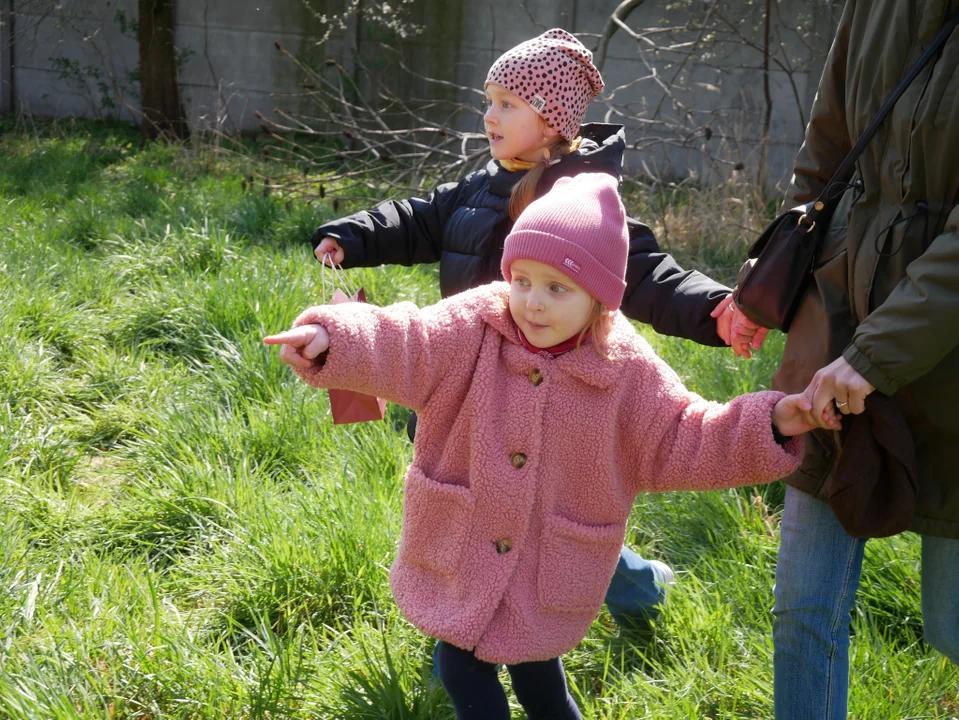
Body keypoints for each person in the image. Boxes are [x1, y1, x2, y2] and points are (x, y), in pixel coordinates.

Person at [266, 173, 836, 719]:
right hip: (461, 553)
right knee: (461, 668)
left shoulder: (625, 371)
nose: (532, 302)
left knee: (540, 680)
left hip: (548, 570)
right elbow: (407, 341)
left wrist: (772, 422)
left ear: (600, 300)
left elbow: (683, 434)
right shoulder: (474, 325)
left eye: (557, 288)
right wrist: (332, 338)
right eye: (522, 281)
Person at [309, 27, 743, 627]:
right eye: (489, 101)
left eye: (508, 104)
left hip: (552, 395)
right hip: (474, 382)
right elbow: (415, 220)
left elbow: (643, 271)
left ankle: (593, 601)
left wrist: (712, 308)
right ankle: (470, 626)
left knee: (552, 524)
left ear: (552, 121)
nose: (490, 115)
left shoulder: (581, 205)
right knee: (476, 516)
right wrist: (352, 235)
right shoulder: (479, 187)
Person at [726, 0, 959, 716]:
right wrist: (771, 277)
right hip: (831, 329)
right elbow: (825, 156)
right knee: (802, 608)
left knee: (951, 627)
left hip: (948, 370)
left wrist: (878, 354)